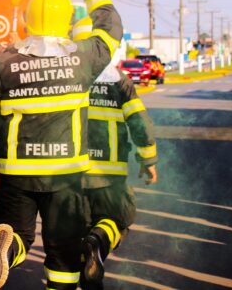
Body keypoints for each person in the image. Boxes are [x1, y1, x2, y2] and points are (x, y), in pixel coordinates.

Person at [0, 0, 122, 290]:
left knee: (16, 230)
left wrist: (6, 124)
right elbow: (110, 26)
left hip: (17, 173)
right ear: (66, 22)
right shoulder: (84, 58)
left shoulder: (1, 62)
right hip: (66, 174)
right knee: (64, 254)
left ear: (25, 20)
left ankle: (10, 249)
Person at [72, 21, 158, 289]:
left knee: (74, 232)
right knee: (117, 221)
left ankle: (89, 269)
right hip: (110, 175)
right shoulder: (119, 82)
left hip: (70, 172)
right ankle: (98, 241)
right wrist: (148, 161)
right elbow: (140, 124)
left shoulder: (64, 78)